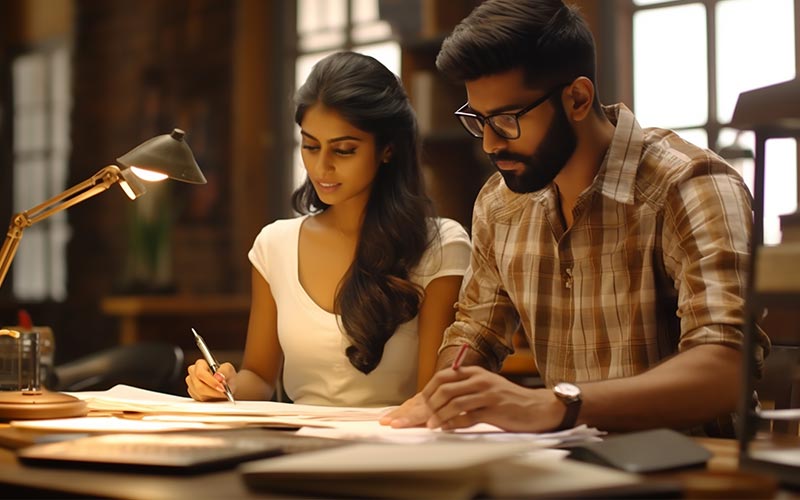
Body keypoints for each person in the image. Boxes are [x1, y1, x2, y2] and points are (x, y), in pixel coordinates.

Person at [381, 0, 770, 435]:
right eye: (479, 120)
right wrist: (448, 391)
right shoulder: (499, 203)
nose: (490, 144)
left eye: (508, 119)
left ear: (578, 98)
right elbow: (475, 332)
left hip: (695, 468)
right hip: (569, 465)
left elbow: (725, 369)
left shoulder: (690, 185)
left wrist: (556, 405)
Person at [186, 51, 471, 407]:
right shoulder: (276, 244)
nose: (321, 167)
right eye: (310, 146)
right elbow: (259, 378)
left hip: (398, 449)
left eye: (344, 150)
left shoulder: (441, 246)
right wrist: (222, 386)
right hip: (296, 448)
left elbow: (432, 399)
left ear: (387, 149)